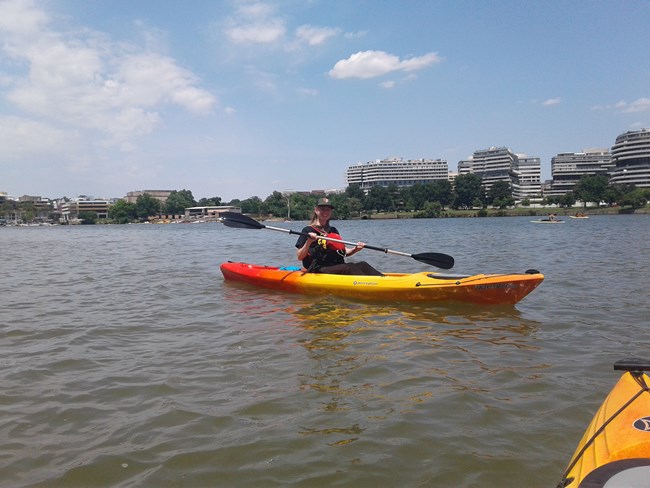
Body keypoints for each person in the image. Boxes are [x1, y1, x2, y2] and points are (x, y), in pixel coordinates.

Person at [295, 198, 383, 276]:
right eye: (322, 209)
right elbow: (299, 256)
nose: (325, 212)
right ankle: (369, 285)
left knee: (363, 265)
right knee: (349, 267)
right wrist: (308, 242)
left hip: (337, 266)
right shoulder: (307, 230)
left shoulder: (333, 230)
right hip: (319, 269)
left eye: (328, 210)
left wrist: (355, 249)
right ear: (316, 210)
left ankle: (383, 280)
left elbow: (344, 252)